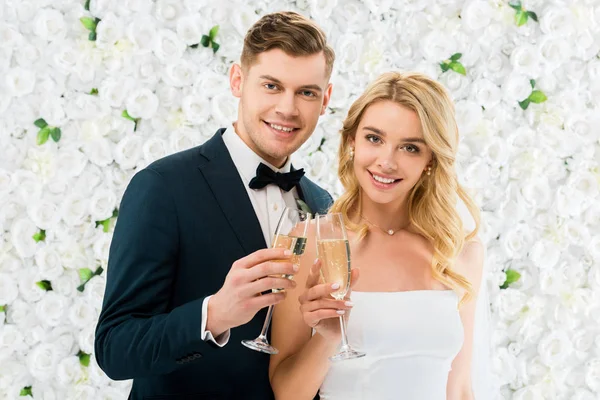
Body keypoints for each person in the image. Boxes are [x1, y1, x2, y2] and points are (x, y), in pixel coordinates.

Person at [94, 11, 335, 400]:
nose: (288, 109)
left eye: (306, 92)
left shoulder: (321, 203)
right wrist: (214, 314)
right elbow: (114, 349)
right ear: (237, 81)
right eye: (272, 86)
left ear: (325, 99)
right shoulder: (162, 187)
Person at [269, 71, 490, 400]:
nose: (386, 161)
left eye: (410, 147)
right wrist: (327, 336)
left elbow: (459, 389)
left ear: (430, 160)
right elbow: (287, 393)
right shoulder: (313, 241)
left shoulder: (459, 252)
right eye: (374, 138)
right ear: (351, 143)